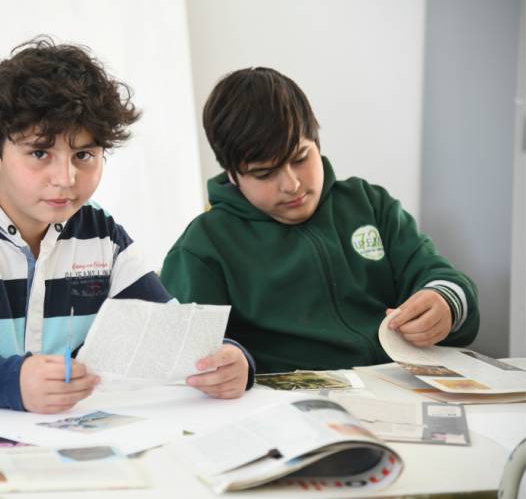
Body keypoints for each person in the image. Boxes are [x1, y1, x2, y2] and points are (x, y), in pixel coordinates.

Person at [0, 37, 254, 414]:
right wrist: (6, 382)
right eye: (40, 153)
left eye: (84, 155)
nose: (66, 178)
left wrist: (231, 361)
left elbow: (169, 338)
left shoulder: (102, 235)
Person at [160, 67, 479, 373]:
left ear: (317, 143)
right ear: (233, 175)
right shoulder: (206, 245)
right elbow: (188, 354)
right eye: (264, 173)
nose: (292, 185)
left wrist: (445, 302)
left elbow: (436, 273)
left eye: (301, 158)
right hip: (291, 408)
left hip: (400, 383)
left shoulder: (369, 204)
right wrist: (230, 364)